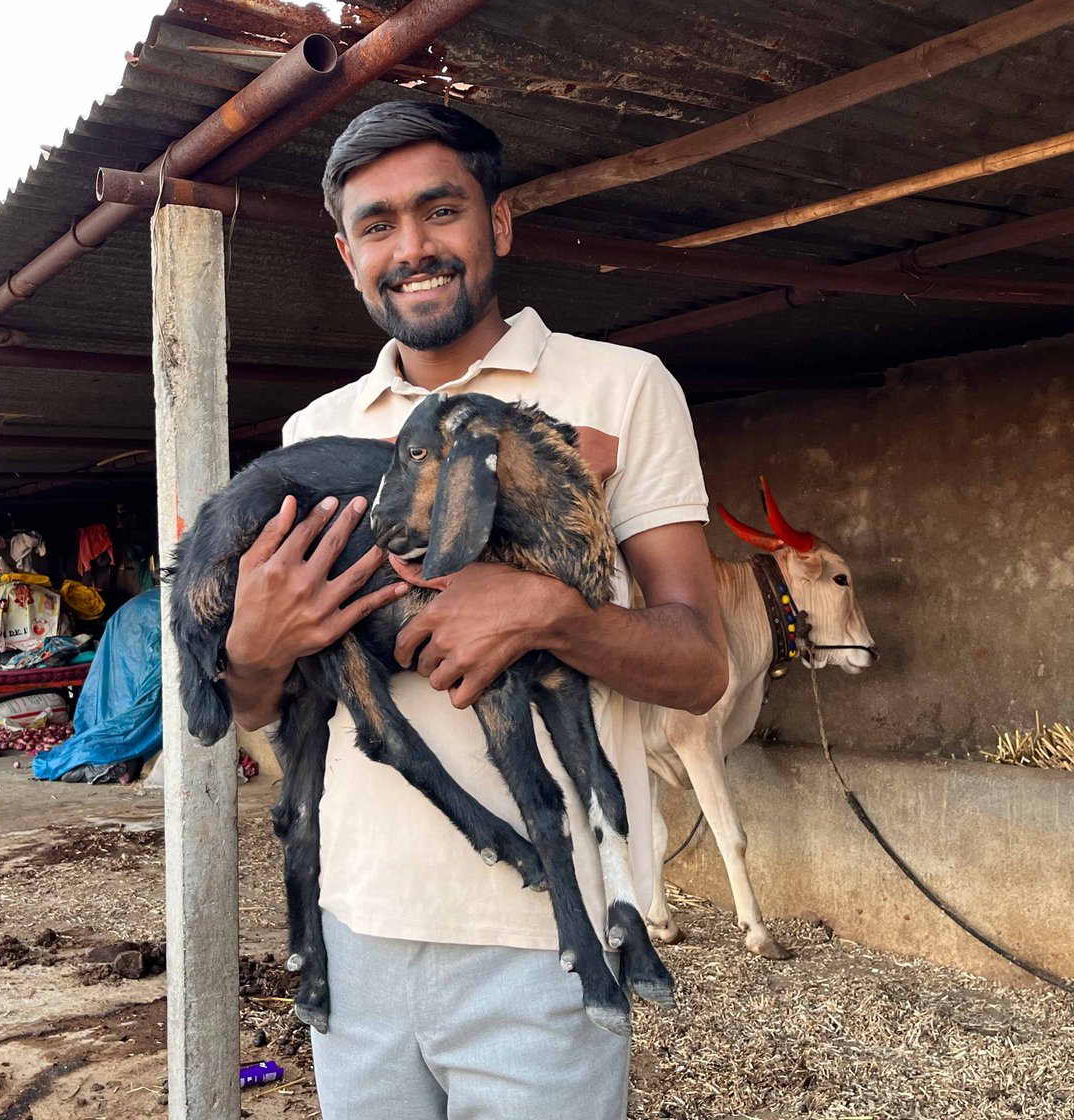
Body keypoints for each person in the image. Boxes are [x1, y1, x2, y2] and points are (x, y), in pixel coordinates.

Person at [222, 101, 729, 1120]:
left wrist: (550, 611)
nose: (410, 249)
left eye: (437, 210)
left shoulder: (619, 388)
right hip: (353, 930)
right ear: (345, 252)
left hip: (544, 942)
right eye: (376, 225)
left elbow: (700, 665)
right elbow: (257, 704)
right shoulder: (316, 431)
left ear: (497, 222)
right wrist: (249, 650)